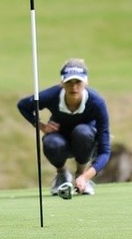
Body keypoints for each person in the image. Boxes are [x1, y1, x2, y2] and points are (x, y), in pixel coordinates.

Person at [17, 58, 111, 196]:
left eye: (78, 82)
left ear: (86, 82)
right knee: (51, 142)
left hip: (86, 142)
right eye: (69, 82)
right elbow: (23, 105)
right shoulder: (52, 95)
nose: (74, 87)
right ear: (62, 82)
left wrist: (85, 176)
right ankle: (62, 175)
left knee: (82, 132)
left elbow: (105, 151)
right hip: (59, 140)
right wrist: (40, 124)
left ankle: (81, 174)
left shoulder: (97, 103)